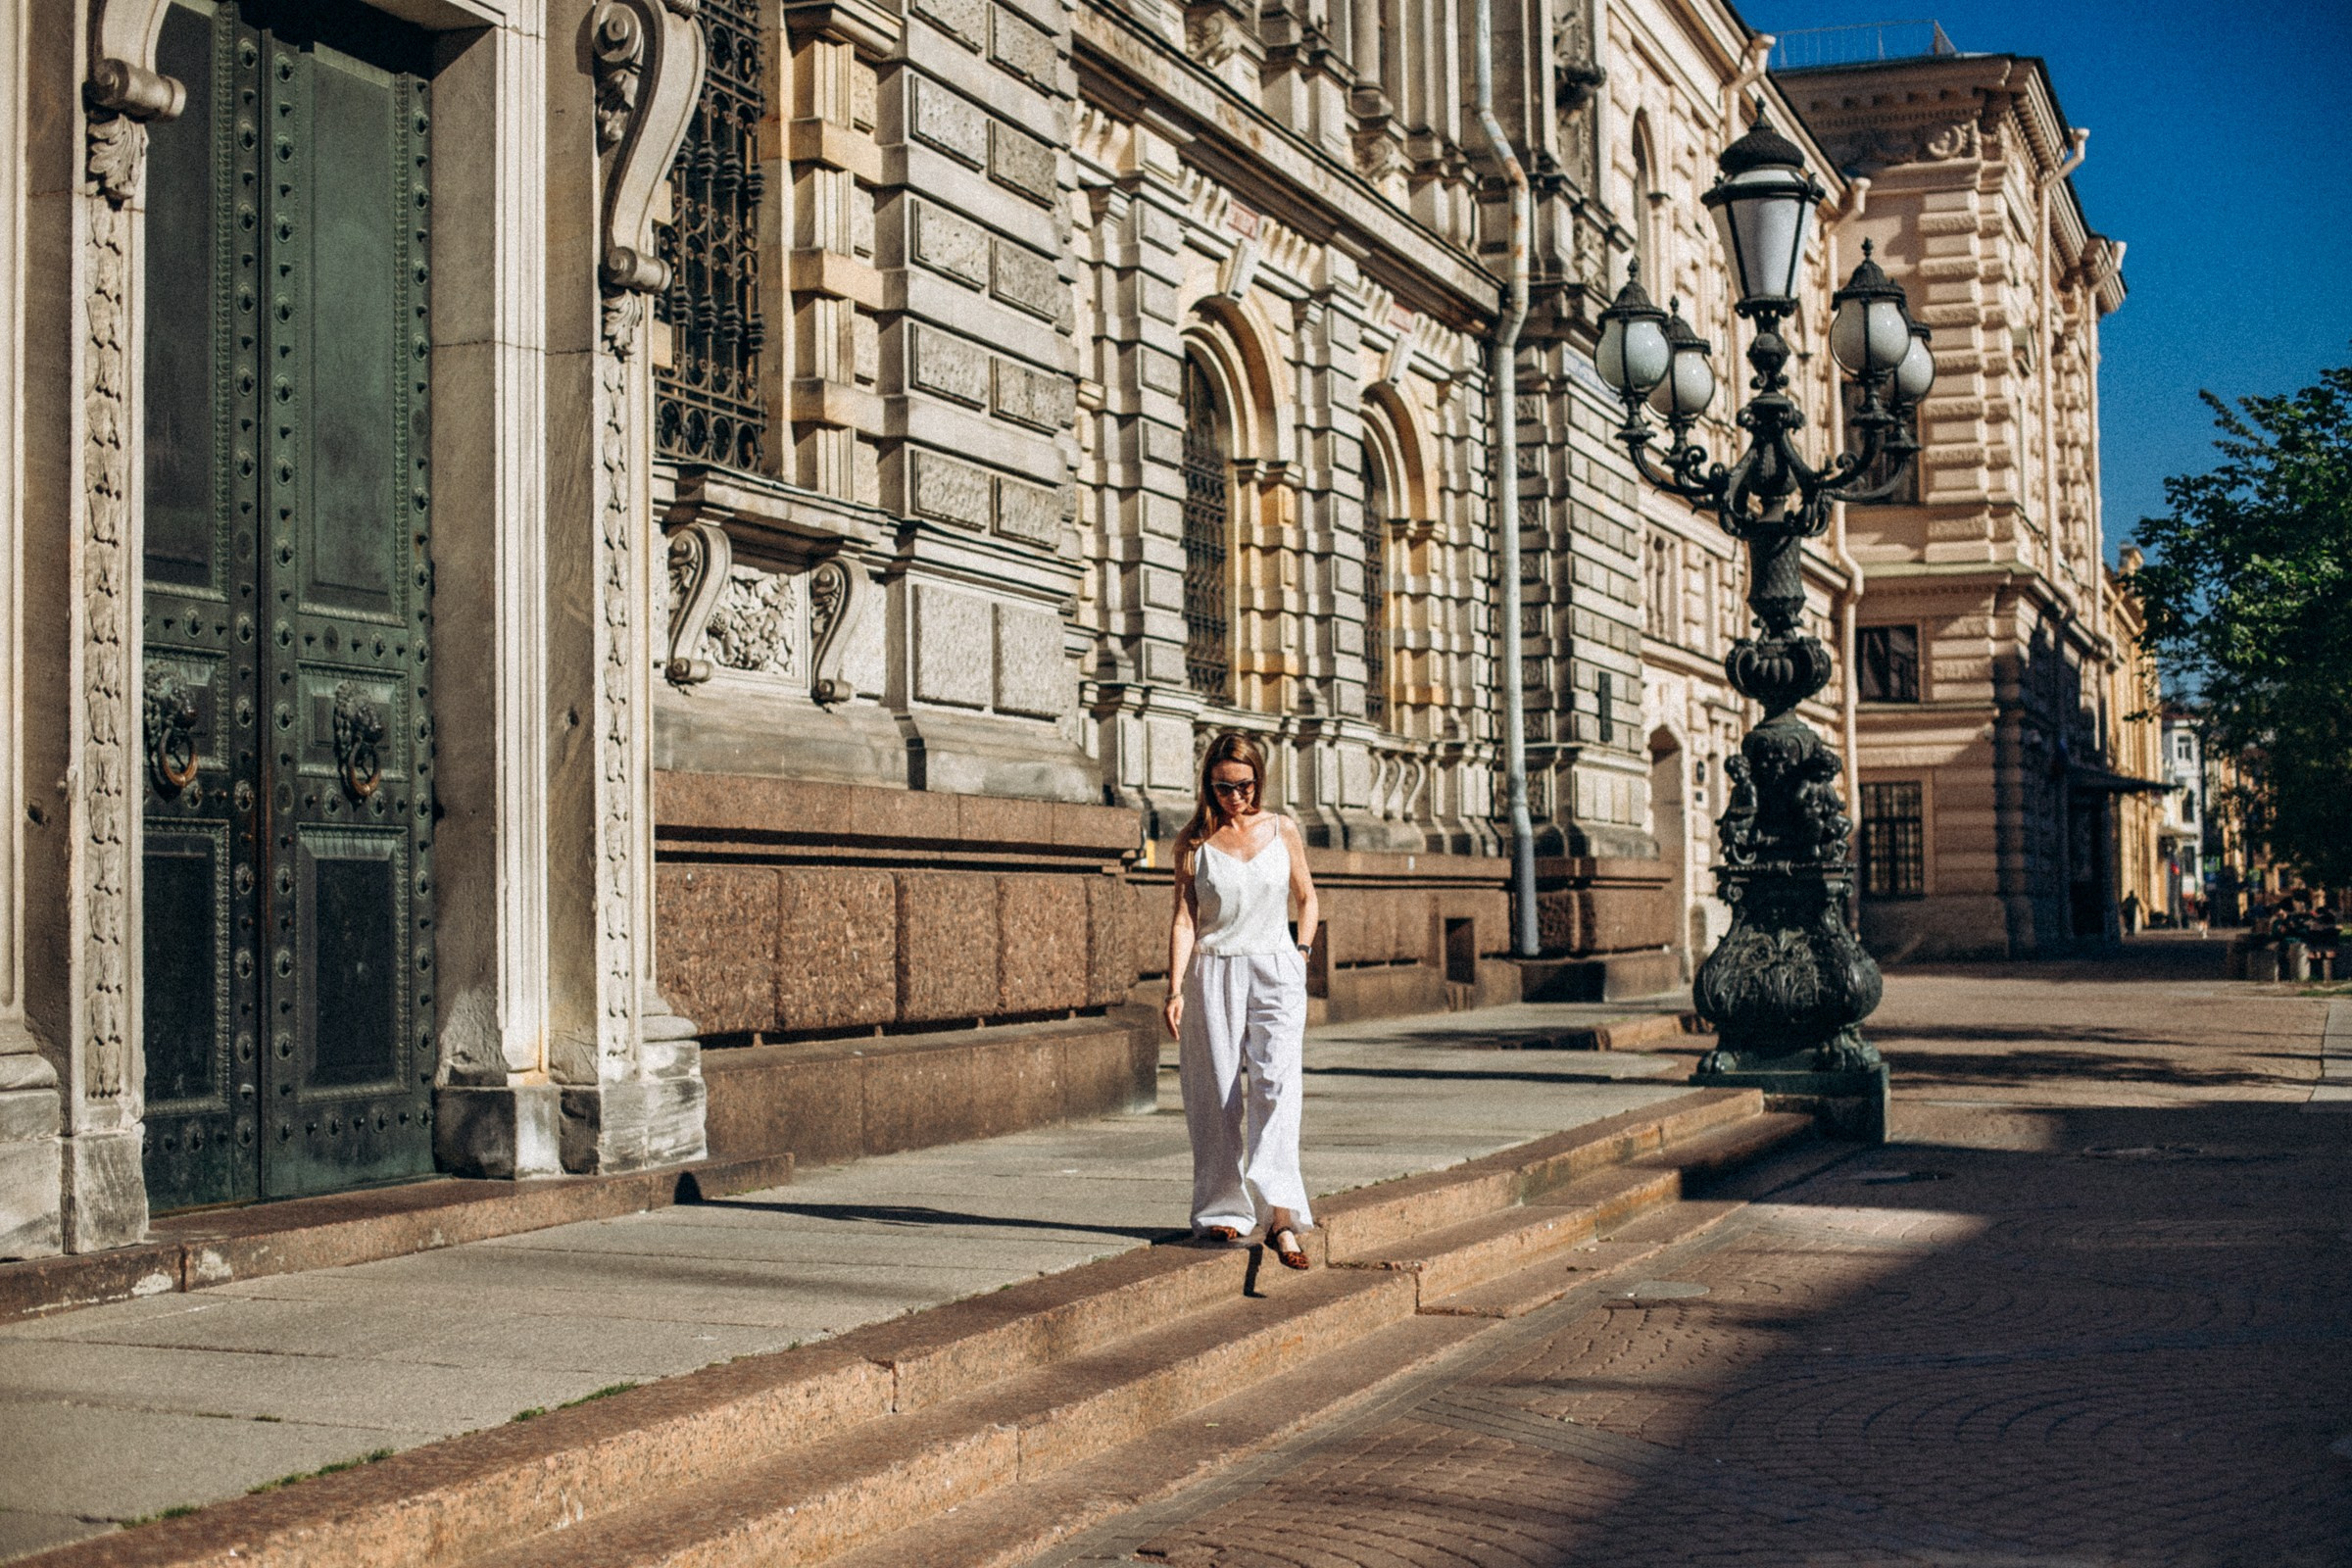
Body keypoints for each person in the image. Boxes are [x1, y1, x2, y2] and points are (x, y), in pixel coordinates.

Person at [1164, 732, 1320, 1269]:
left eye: (1244, 785)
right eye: (1223, 786)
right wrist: (1174, 987)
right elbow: (1185, 918)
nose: (1235, 796)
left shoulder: (1283, 830)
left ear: (1258, 780)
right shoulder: (1194, 844)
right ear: (1208, 784)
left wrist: (1301, 950)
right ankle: (1221, 1209)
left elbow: (1307, 896)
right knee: (1217, 1093)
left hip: (1276, 968)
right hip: (1215, 971)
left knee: (1278, 1084)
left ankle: (1281, 1214)